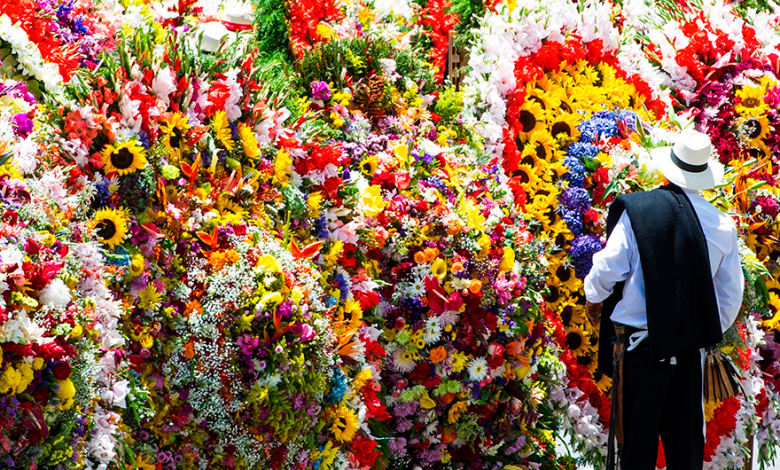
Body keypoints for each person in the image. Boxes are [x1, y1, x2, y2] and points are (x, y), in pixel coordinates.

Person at [583, 129, 744, 470]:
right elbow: (730, 298)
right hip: (688, 354)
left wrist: (593, 298)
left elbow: (608, 268)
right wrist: (693, 330)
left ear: (668, 168)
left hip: (639, 350)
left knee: (636, 452)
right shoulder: (722, 225)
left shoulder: (639, 211)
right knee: (685, 452)